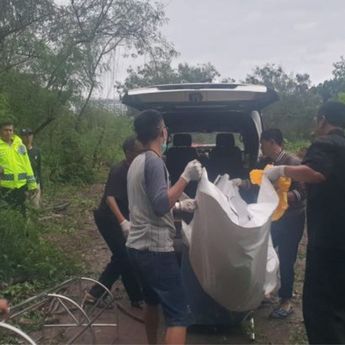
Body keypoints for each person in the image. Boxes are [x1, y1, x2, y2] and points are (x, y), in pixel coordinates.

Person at [264, 101, 345, 344]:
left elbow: (315, 172)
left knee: (320, 306)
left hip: (329, 239)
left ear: (322, 120)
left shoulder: (328, 143)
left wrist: (281, 171)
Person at [126, 109, 202, 345]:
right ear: (162, 132)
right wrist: (186, 177)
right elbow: (159, 205)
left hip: (136, 246)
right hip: (155, 248)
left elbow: (150, 203)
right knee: (179, 315)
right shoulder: (155, 162)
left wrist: (180, 204)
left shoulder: (136, 161)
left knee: (152, 302)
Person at [83, 137, 144, 309]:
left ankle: (135, 297)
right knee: (124, 255)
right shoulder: (120, 170)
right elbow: (110, 198)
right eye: (139, 152)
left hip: (121, 217)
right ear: (129, 153)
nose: (142, 155)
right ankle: (95, 293)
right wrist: (123, 221)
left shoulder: (136, 167)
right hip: (109, 219)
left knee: (124, 255)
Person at [259, 129, 306, 319]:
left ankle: (286, 301)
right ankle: (266, 292)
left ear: (272, 142)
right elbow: (257, 183)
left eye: (262, 143)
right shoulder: (265, 163)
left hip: (291, 219)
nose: (261, 147)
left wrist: (285, 197)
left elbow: (305, 191)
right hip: (272, 218)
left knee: (286, 260)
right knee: (265, 254)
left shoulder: (293, 163)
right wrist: (241, 184)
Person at [0, 120, 37, 213]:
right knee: (6, 215)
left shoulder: (20, 146)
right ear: (1, 131)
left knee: (21, 214)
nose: (8, 132)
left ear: (13, 132)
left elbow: (27, 165)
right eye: (5, 130)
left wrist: (32, 185)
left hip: (21, 187)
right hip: (4, 188)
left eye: (10, 130)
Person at [20, 128, 42, 208]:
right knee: (24, 208)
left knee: (35, 207)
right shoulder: (18, 150)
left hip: (35, 183)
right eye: (25, 135)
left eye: (30, 135)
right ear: (22, 137)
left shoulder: (37, 151)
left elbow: (39, 169)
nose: (28, 137)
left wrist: (41, 186)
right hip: (23, 185)